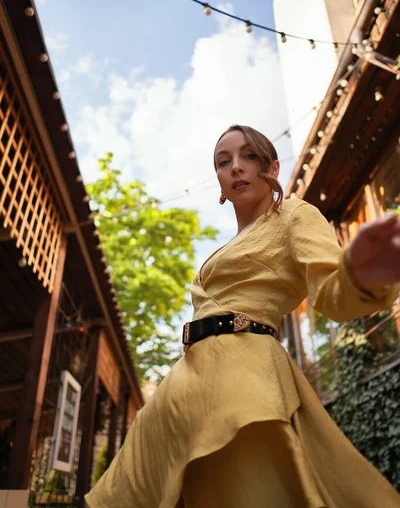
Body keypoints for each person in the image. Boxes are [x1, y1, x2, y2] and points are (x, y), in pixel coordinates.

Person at [86, 125, 400, 508]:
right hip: (179, 391)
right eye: (224, 161)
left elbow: (331, 293)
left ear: (272, 166)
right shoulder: (228, 245)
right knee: (119, 497)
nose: (236, 167)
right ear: (218, 179)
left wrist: (363, 271)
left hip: (244, 385)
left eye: (249, 156)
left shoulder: (294, 215)